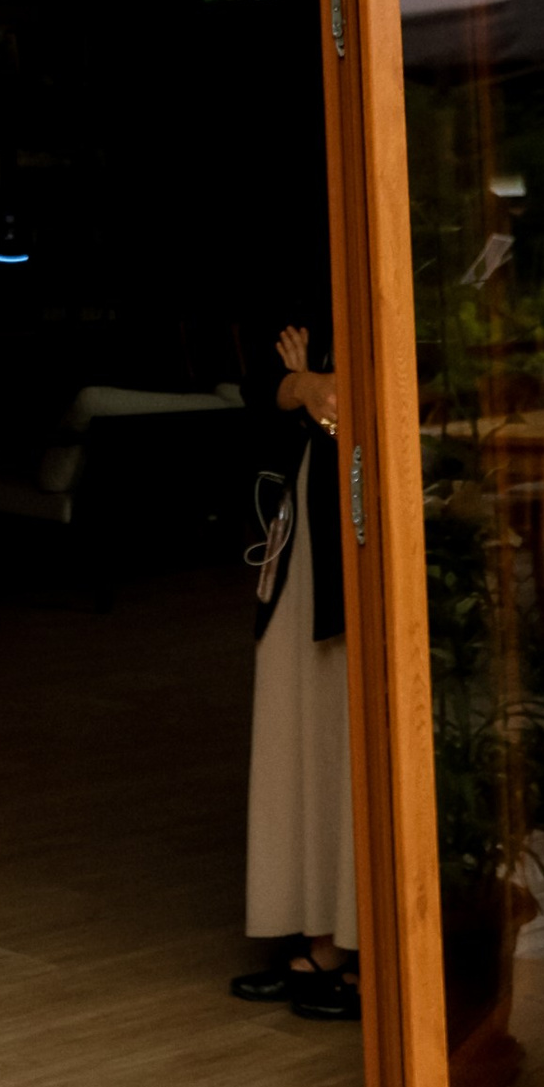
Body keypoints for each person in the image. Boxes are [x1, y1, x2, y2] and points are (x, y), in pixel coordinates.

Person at [230, 318, 359, 1019]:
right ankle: (322, 936)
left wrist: (318, 397)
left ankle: (362, 951)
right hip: (304, 533)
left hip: (357, 538)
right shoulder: (304, 289)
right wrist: (304, 386)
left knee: (341, 730)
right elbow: (257, 389)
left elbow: (355, 405)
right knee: (298, 728)